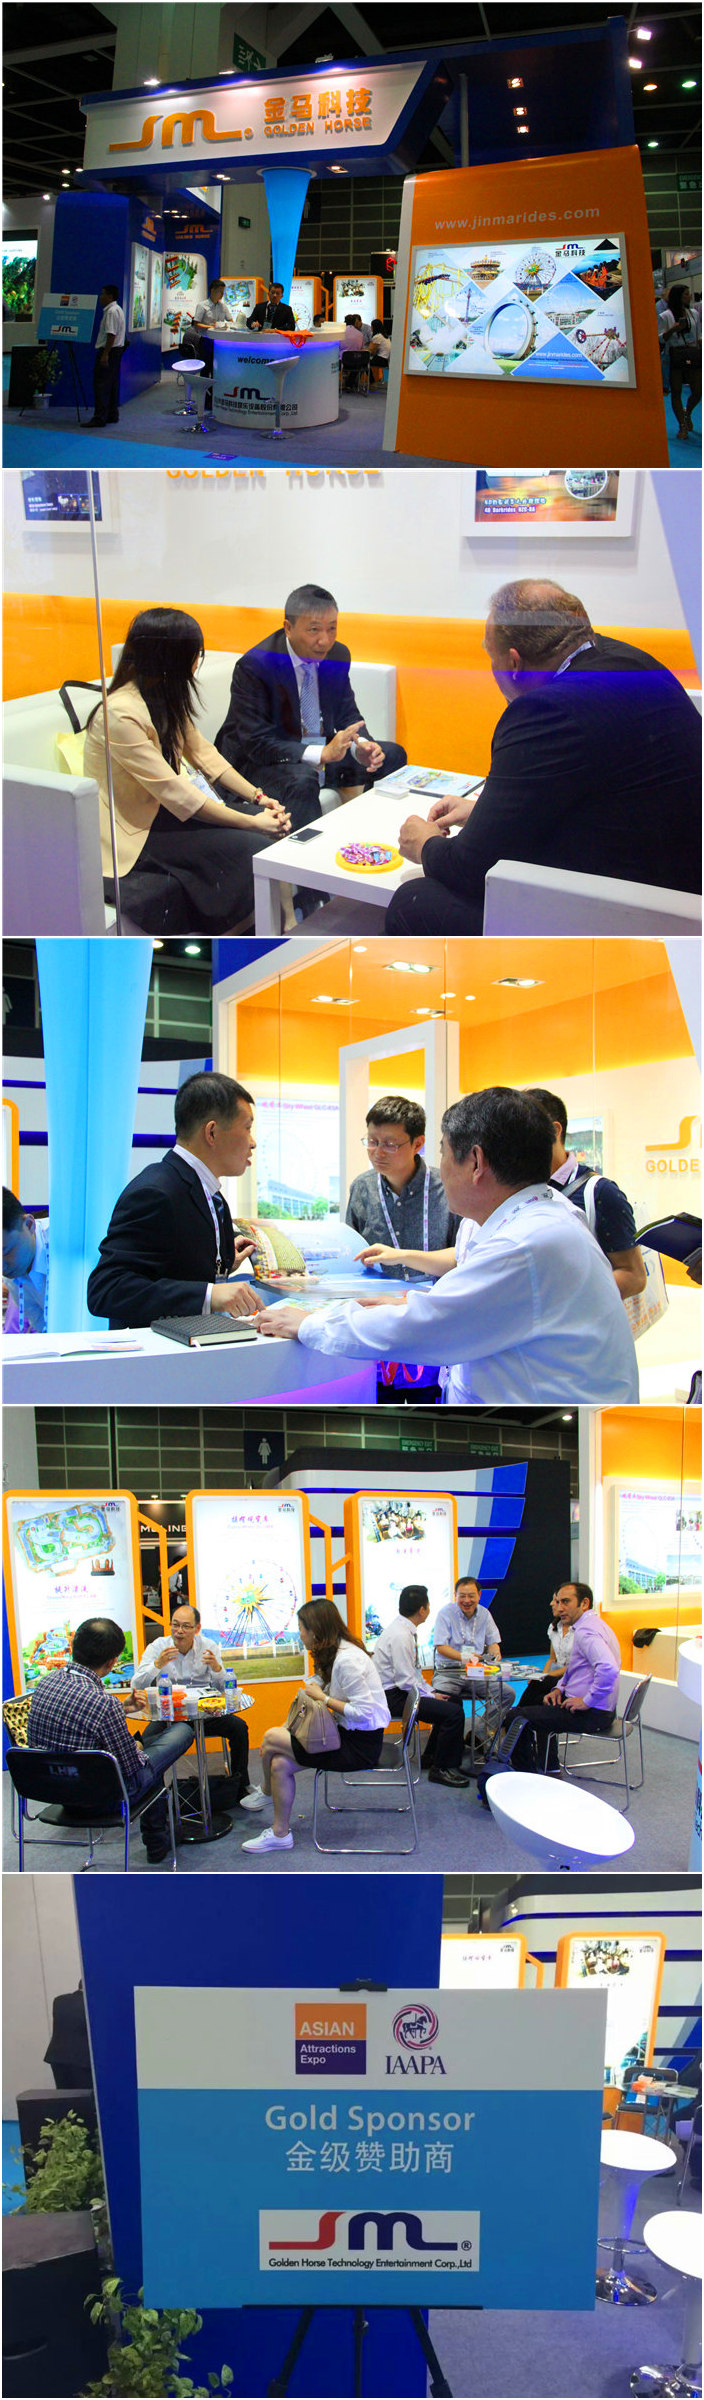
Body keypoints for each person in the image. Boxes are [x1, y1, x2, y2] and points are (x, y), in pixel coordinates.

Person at [256, 1087, 641, 1404]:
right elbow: (472, 1302)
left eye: (442, 1151)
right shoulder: (535, 1215)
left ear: (475, 1162)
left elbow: (423, 1329)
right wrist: (408, 1302)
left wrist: (310, 1324)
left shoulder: (524, 1243)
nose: (440, 1166)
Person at [385, 580, 702, 934]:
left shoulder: (547, 709)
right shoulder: (632, 662)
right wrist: (484, 814)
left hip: (634, 908)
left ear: (514, 663)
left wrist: (425, 844)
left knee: (415, 900)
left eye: (491, 657)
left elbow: (470, 870)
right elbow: (600, 792)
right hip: (677, 878)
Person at [82, 608, 289, 935]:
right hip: (137, 830)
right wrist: (252, 821)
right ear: (171, 657)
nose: (197, 661)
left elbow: (205, 755)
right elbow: (174, 791)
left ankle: (285, 923)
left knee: (273, 826)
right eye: (195, 653)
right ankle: (252, 931)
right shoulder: (119, 714)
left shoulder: (166, 694)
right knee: (254, 842)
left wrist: (259, 798)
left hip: (168, 812)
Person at [214, 583, 407, 828]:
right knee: (303, 779)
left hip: (317, 751)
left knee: (392, 755)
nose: (324, 640)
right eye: (314, 630)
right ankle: (300, 850)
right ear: (288, 628)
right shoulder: (257, 665)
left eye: (332, 628)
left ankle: (369, 834)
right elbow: (256, 743)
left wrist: (362, 745)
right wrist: (321, 754)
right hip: (262, 763)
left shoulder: (337, 655)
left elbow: (347, 713)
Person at [87, 1069, 266, 1329]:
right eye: (247, 1128)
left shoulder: (211, 1195)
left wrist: (222, 1262)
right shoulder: (155, 1192)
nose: (253, 1142)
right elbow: (107, 1289)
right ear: (212, 1132)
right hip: (157, 1352)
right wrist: (209, 1295)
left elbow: (175, 1266)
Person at [27, 1617, 193, 1862]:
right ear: (112, 1661)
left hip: (53, 1790)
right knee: (181, 1732)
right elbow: (131, 1767)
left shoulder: (45, 1683)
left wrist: (122, 1711)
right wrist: (137, 1746)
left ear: (75, 1647)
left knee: (150, 1751)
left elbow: (77, 1725)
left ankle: (159, 1839)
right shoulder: (103, 1704)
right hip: (101, 1798)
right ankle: (157, 1839)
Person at [241, 1599, 390, 1853]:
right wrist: (317, 1686)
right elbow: (321, 1681)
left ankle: (266, 1792)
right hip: (343, 1735)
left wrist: (324, 1699)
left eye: (301, 1628)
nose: (299, 1634)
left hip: (360, 1746)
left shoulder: (347, 1660)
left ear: (315, 1630)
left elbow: (365, 1714)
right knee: (279, 1764)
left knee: (271, 1738)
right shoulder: (335, 1652)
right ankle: (280, 1834)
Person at [132, 1600, 262, 1810]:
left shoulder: (208, 1646)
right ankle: (155, 1796)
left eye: (186, 1626)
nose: (179, 1631)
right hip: (171, 1714)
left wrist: (217, 1668)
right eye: (175, 1625)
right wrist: (157, 1664)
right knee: (146, 1740)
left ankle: (241, 1785)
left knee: (239, 1728)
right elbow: (137, 1684)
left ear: (197, 1628)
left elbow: (225, 1687)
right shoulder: (158, 1647)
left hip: (205, 1712)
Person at [525, 1088, 646, 1302]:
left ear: (554, 1131)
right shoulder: (516, 1187)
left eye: (523, 1132)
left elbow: (633, 1275)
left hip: (579, 1318)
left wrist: (563, 1301)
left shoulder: (600, 1192)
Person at [501, 1582, 621, 1771]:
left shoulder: (586, 1632)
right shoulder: (591, 1625)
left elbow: (608, 1668)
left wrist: (587, 1701)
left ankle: (526, 1774)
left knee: (515, 1717)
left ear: (584, 1603)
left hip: (592, 1713)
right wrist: (559, 1688)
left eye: (566, 1602)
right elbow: (574, 1667)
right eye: (558, 1602)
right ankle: (548, 1765)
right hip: (597, 1708)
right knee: (540, 1701)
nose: (560, 1607)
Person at [346, 1095, 460, 1279]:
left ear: (417, 1144)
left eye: (390, 1145)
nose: (378, 1153)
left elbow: (464, 1254)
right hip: (377, 1295)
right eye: (372, 1142)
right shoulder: (362, 1188)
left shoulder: (448, 1187)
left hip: (437, 1294)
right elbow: (352, 1252)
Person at [373, 1586, 470, 1787]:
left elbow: (413, 1675)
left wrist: (432, 1692)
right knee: (453, 1713)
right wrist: (431, 1696)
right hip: (392, 1697)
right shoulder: (401, 1636)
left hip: (399, 1692)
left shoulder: (403, 1630)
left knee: (454, 1701)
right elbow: (406, 1681)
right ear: (422, 1610)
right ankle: (442, 1769)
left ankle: (432, 1756)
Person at [432, 1576, 515, 1749]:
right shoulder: (445, 1613)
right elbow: (441, 1647)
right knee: (441, 1699)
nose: (466, 1600)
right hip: (449, 1672)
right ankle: (443, 1748)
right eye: (462, 1596)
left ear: (479, 1595)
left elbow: (493, 1642)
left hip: (476, 1672)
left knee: (507, 1694)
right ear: (455, 1595)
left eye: (471, 1596)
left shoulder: (485, 1614)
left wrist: (494, 1652)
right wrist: (465, 1657)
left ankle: (478, 1735)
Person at [3, 1189, 49, 1332]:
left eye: (6, 1251)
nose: (2, 1267)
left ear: (29, 1225)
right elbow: (45, 1329)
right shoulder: (13, 1275)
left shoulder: (66, 1243)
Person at [660, 283, 701, 440]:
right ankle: (682, 425)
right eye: (686, 294)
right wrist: (674, 329)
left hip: (693, 353)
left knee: (698, 391)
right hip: (674, 356)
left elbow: (698, 334)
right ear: (678, 297)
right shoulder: (666, 316)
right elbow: (661, 338)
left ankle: (687, 412)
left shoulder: (694, 313)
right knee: (676, 392)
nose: (689, 297)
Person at [86, 283, 126, 428]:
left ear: (110, 296)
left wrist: (105, 354)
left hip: (109, 351)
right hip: (116, 351)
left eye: (103, 294)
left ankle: (100, 417)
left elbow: (111, 334)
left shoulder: (111, 312)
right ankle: (111, 414)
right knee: (112, 384)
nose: (100, 297)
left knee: (101, 385)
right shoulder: (118, 309)